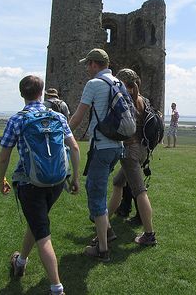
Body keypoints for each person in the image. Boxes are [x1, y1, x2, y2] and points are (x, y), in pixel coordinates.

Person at [0, 75, 80, 295]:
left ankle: (57, 288)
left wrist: (1, 179)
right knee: (37, 222)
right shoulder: (58, 117)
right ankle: (20, 261)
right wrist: (76, 178)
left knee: (43, 234)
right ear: (41, 92)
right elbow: (75, 148)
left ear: (22, 93)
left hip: (30, 183)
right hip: (56, 182)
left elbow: (3, 156)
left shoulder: (17, 120)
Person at [69, 48, 124, 262]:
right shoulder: (118, 83)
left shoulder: (94, 84)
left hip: (102, 146)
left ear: (94, 64)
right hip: (117, 146)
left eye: (87, 64)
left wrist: (62, 134)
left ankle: (102, 249)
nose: (86, 68)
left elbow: (78, 116)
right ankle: (107, 231)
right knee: (93, 185)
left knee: (97, 194)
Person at [105, 68, 157, 245]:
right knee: (118, 182)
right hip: (143, 149)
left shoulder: (125, 100)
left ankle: (149, 235)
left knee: (139, 191)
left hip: (130, 152)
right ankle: (105, 220)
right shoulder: (144, 100)